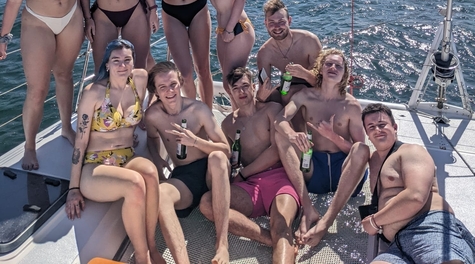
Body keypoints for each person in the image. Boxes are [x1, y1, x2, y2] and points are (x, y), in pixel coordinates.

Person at [0, 0, 85, 170]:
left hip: (72, 19)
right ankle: (29, 146)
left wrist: (89, 18)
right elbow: (14, 0)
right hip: (38, 22)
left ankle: (66, 128)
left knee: (64, 76)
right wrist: (3, 37)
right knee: (37, 90)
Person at [65, 39, 164, 264]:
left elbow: (163, 84)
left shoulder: (139, 79)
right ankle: (142, 256)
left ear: (133, 62)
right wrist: (73, 188)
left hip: (126, 155)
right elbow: (80, 141)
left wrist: (147, 118)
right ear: (107, 65)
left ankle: (152, 245)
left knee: (149, 172)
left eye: (127, 60)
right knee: (135, 184)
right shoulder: (94, 92)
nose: (122, 65)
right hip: (95, 164)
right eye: (116, 61)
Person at [200, 67, 300, 264]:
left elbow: (276, 151)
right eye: (235, 88)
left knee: (280, 226)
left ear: (254, 87)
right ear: (230, 92)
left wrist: (244, 174)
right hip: (251, 186)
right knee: (207, 203)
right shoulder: (228, 124)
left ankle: (279, 236)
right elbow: (229, 158)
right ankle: (268, 238)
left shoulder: (271, 110)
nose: (241, 92)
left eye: (245, 86)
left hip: (280, 178)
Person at [274, 48, 370, 247]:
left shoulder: (351, 105)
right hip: (313, 167)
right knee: (281, 135)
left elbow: (359, 150)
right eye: (328, 64)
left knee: (361, 149)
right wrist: (292, 134)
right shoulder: (305, 96)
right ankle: (308, 209)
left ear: (345, 74)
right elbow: (280, 119)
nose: (333, 67)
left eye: (339, 66)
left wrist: (332, 136)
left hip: (343, 172)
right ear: (320, 69)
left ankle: (326, 222)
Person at [361, 103, 475, 264]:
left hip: (428, 227)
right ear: (367, 133)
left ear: (394, 127)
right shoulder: (373, 161)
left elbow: (415, 196)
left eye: (382, 125)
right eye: (371, 127)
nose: (377, 130)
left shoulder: (411, 151)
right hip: (396, 246)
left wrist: (374, 221)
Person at [145, 61, 231, 264]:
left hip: (211, 170)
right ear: (156, 91)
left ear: (181, 82)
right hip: (185, 176)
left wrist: (195, 141)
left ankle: (222, 245)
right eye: (163, 87)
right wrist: (157, 158)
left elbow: (226, 150)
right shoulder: (153, 116)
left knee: (217, 157)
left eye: (173, 84)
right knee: (161, 194)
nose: (170, 91)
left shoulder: (198, 110)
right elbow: (151, 138)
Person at [257, 0, 322, 103]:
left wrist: (304, 74)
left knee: (294, 94)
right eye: (271, 22)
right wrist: (262, 95)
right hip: (286, 88)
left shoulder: (309, 41)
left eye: (281, 22)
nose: (277, 27)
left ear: (289, 21)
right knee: (264, 103)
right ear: (266, 24)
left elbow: (322, 84)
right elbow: (262, 92)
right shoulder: (264, 53)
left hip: (312, 88)